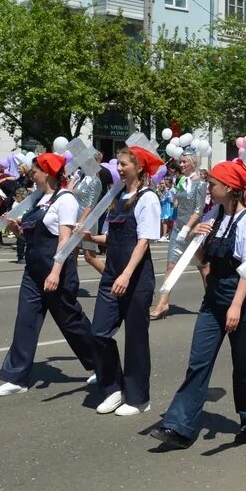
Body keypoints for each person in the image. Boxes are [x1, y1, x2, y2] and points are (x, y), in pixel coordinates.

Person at [151, 158, 246, 449]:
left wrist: (236, 306)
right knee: (198, 362)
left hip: (241, 299)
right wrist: (195, 241)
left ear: (229, 188)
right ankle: (179, 426)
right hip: (214, 296)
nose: (209, 188)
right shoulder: (214, 215)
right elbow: (204, 262)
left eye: (213, 184)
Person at [0, 153, 98, 397]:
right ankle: (16, 377)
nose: (31, 173)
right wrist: (17, 229)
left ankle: (103, 364)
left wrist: (56, 271)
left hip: (56, 270)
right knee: (25, 321)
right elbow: (32, 237)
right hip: (33, 270)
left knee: (72, 322)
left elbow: (65, 240)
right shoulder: (38, 199)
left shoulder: (66, 199)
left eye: (36, 169)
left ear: (48, 172)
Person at [86, 145, 163, 416]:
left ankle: (138, 398)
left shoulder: (147, 198)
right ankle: (113, 388)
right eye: (117, 164)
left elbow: (143, 241)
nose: (118, 168)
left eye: (123, 164)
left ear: (139, 167)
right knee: (98, 332)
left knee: (136, 339)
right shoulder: (117, 195)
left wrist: (127, 274)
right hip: (112, 274)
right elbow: (114, 236)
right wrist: (91, 238)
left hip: (136, 276)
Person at [150, 148, 208, 320]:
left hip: (192, 230)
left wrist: (187, 228)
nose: (181, 164)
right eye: (181, 161)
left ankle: (213, 301)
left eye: (185, 162)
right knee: (170, 266)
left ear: (193, 163)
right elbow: (178, 202)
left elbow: (198, 210)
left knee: (203, 267)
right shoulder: (183, 180)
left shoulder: (201, 183)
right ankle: (163, 303)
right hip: (178, 228)